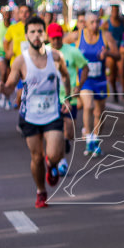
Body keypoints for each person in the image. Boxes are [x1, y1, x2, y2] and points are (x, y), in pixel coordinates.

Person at [0, 16, 72, 209]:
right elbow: (11, 85)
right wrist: (2, 88)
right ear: (27, 35)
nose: (37, 35)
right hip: (30, 116)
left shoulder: (55, 57)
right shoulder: (21, 61)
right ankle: (41, 191)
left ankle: (52, 164)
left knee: (54, 154)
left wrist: (68, 99)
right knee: (36, 158)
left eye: (40, 31)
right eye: (32, 32)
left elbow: (65, 75)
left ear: (45, 34)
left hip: (53, 113)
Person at [74, 12, 118, 156]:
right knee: (88, 105)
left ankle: (96, 139)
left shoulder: (105, 36)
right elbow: (61, 45)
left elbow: (117, 54)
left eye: (97, 22)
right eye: (92, 22)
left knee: (99, 112)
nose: (95, 25)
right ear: (85, 23)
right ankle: (88, 139)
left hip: (100, 80)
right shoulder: (77, 36)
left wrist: (108, 54)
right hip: (85, 80)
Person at [48, 23, 87, 176]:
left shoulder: (72, 52)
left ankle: (60, 151)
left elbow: (85, 67)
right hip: (50, 99)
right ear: (49, 38)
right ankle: (60, 160)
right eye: (53, 38)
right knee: (54, 132)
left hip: (69, 97)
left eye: (58, 37)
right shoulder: (43, 52)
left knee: (69, 132)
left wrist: (79, 86)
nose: (56, 41)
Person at [105, 4, 124, 100]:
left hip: (121, 49)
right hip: (111, 51)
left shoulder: (122, 22)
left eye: (116, 10)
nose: (115, 12)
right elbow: (103, 34)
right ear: (111, 11)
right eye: (113, 10)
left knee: (122, 71)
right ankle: (114, 91)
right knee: (112, 74)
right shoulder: (107, 23)